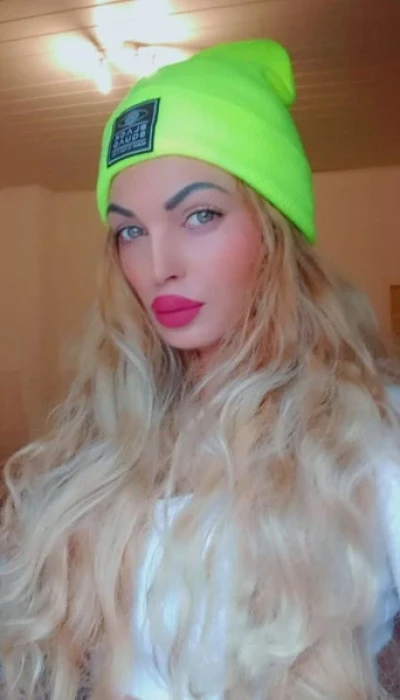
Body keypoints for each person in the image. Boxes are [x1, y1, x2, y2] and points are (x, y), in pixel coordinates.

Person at [1, 39, 400, 700]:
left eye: (200, 215)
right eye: (130, 231)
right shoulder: (101, 438)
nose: (159, 266)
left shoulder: (373, 439)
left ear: (273, 229)